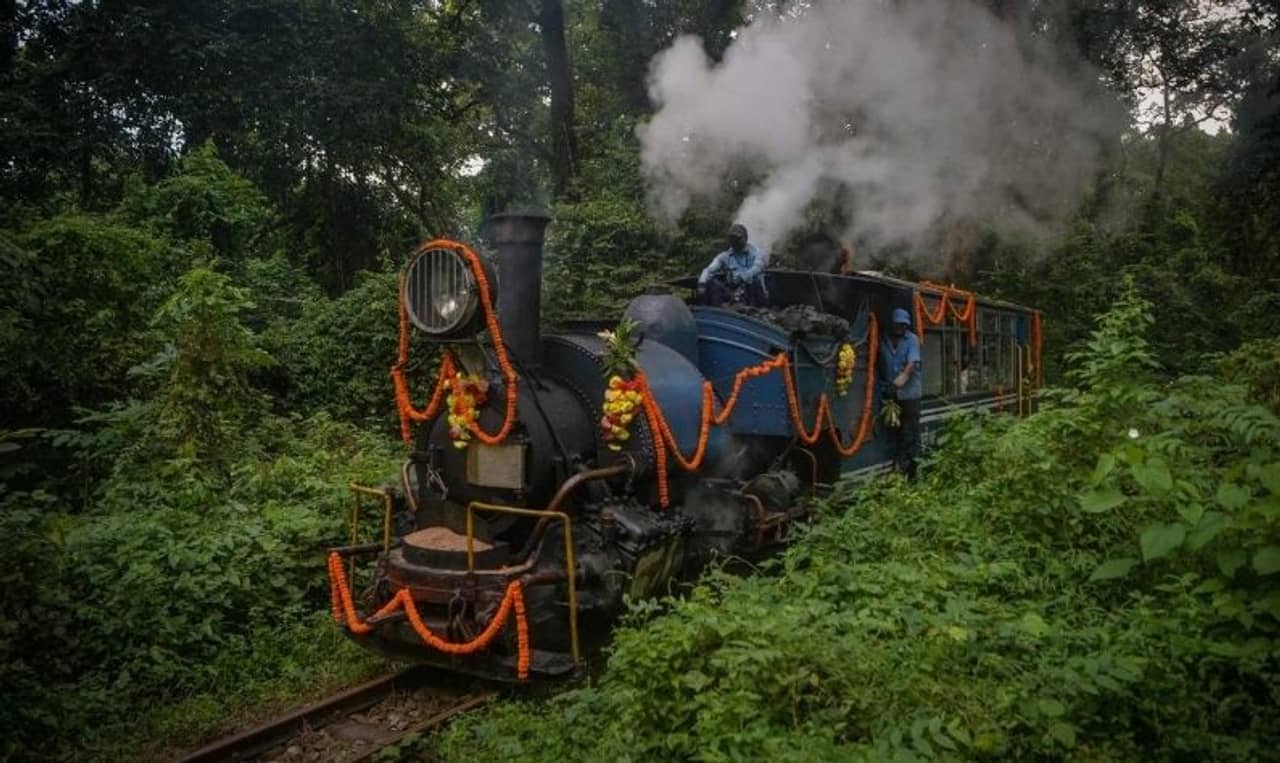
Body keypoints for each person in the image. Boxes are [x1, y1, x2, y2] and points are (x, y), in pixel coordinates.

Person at [881, 308, 922, 479]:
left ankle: (909, 470)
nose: (899, 328)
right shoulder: (884, 339)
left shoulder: (912, 339)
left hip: (909, 394)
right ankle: (893, 467)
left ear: (906, 326)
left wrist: (902, 379)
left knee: (909, 432)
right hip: (889, 393)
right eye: (897, 324)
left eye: (902, 325)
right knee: (892, 430)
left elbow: (912, 364)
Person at [697, 223, 768, 307]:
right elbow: (709, 270)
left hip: (753, 293)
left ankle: (752, 309)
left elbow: (757, 267)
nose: (734, 241)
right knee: (713, 283)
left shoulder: (757, 253)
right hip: (732, 292)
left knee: (754, 281)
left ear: (745, 238)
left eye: (737, 238)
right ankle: (718, 310)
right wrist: (702, 283)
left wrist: (744, 277)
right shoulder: (725, 256)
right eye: (732, 238)